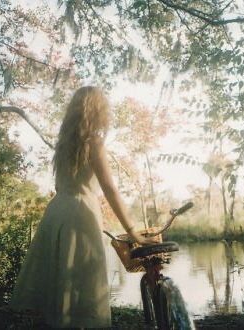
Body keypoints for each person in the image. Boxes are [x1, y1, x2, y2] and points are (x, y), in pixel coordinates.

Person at [10, 86, 156, 328]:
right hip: (80, 216)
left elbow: (60, 185)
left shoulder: (63, 145)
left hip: (57, 212)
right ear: (98, 110)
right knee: (81, 281)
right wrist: (133, 232)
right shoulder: (94, 143)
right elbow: (109, 189)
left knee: (61, 280)